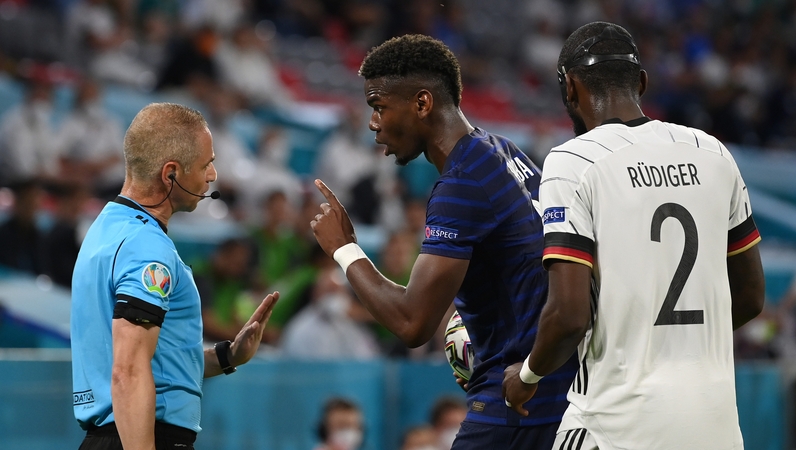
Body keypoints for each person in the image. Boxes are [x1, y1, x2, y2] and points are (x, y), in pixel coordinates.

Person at [501, 22, 765, 450]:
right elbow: (751, 297)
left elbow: (568, 316)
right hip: (717, 425)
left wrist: (526, 376)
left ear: (569, 88)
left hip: (615, 423)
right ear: (641, 81)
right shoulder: (713, 152)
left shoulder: (574, 161)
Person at [310, 34, 578, 449]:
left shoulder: (462, 184)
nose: (373, 123)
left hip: (517, 402)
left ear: (422, 104)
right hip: (557, 389)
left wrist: (344, 249)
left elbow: (412, 323)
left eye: (379, 107)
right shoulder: (502, 150)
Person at [70, 102, 279, 450]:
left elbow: (153, 362)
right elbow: (129, 372)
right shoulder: (148, 248)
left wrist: (227, 357)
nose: (212, 175)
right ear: (170, 174)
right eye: (206, 164)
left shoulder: (106, 230)